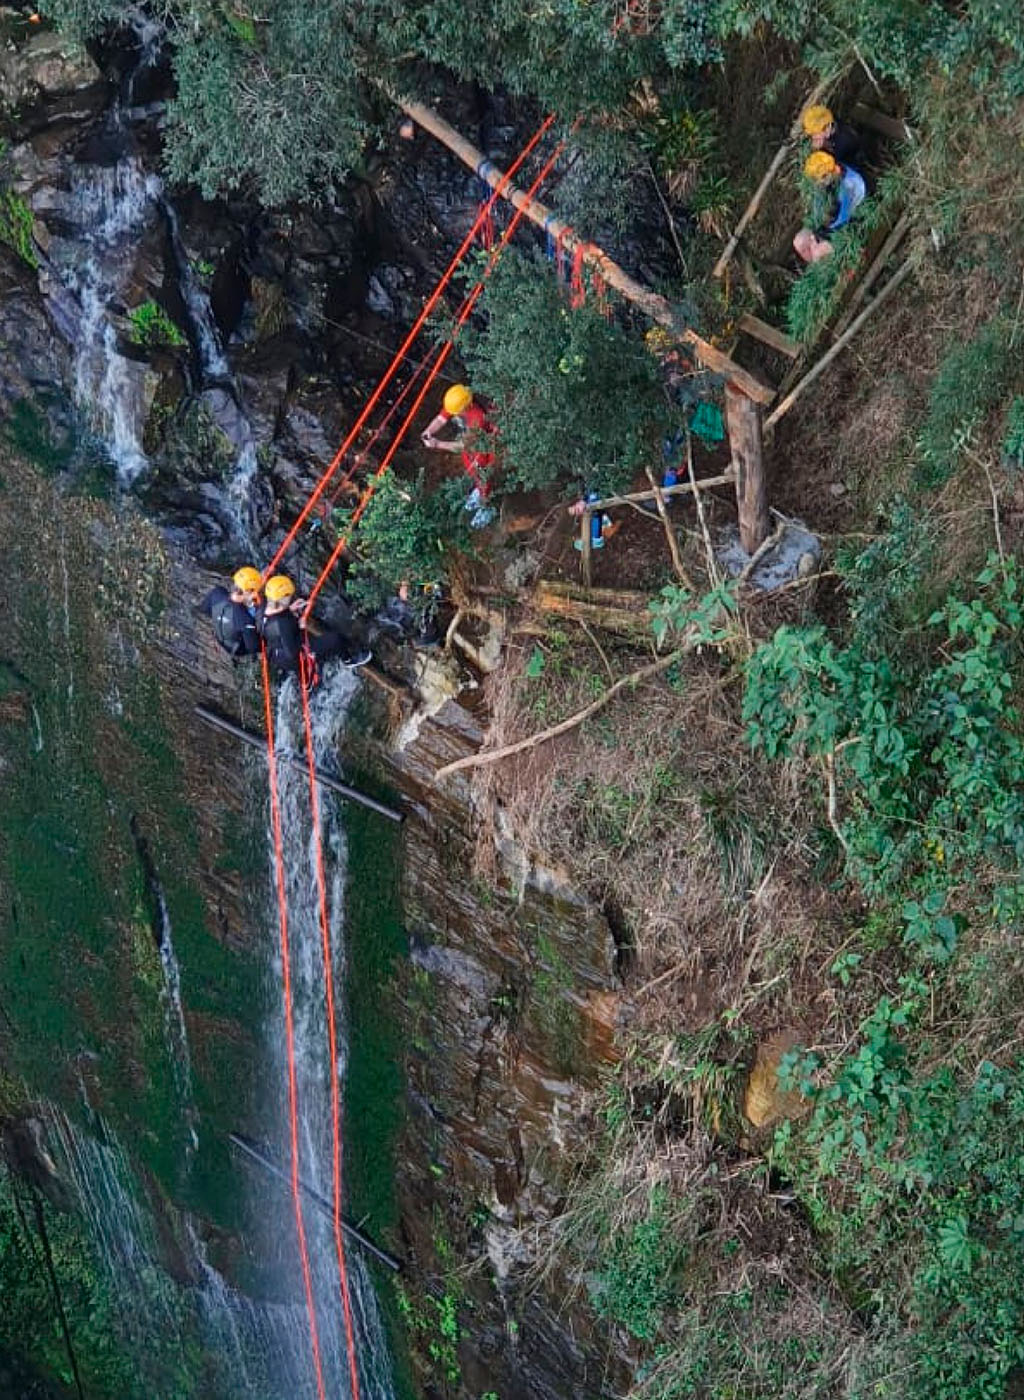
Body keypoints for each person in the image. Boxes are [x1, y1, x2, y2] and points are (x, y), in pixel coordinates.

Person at [257, 575, 370, 675]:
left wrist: (290, 610)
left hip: (276, 654)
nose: (291, 597)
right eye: (289, 596)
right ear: (282, 598)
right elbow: (292, 653)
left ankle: (305, 678)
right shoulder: (283, 623)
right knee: (335, 639)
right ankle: (348, 660)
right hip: (292, 657)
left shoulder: (262, 610)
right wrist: (301, 627)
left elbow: (272, 627)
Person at [421, 383, 497, 528]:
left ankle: (487, 507)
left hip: (482, 448)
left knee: (482, 476)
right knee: (472, 470)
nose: (453, 414)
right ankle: (479, 492)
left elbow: (464, 445)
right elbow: (441, 418)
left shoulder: (477, 417)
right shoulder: (459, 399)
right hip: (470, 446)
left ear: (465, 407)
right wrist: (428, 431)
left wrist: (438, 444)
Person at [793, 151, 867, 264]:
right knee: (801, 241)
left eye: (819, 179)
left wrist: (824, 230)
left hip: (851, 222)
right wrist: (817, 225)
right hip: (832, 221)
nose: (818, 183)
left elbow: (844, 217)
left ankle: (827, 265)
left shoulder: (847, 185)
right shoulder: (830, 180)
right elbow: (819, 203)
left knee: (818, 253)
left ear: (827, 173)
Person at [197, 565, 262, 660]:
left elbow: (205, 609)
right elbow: (253, 648)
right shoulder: (246, 620)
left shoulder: (217, 593)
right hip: (237, 648)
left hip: (221, 636)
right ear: (250, 592)